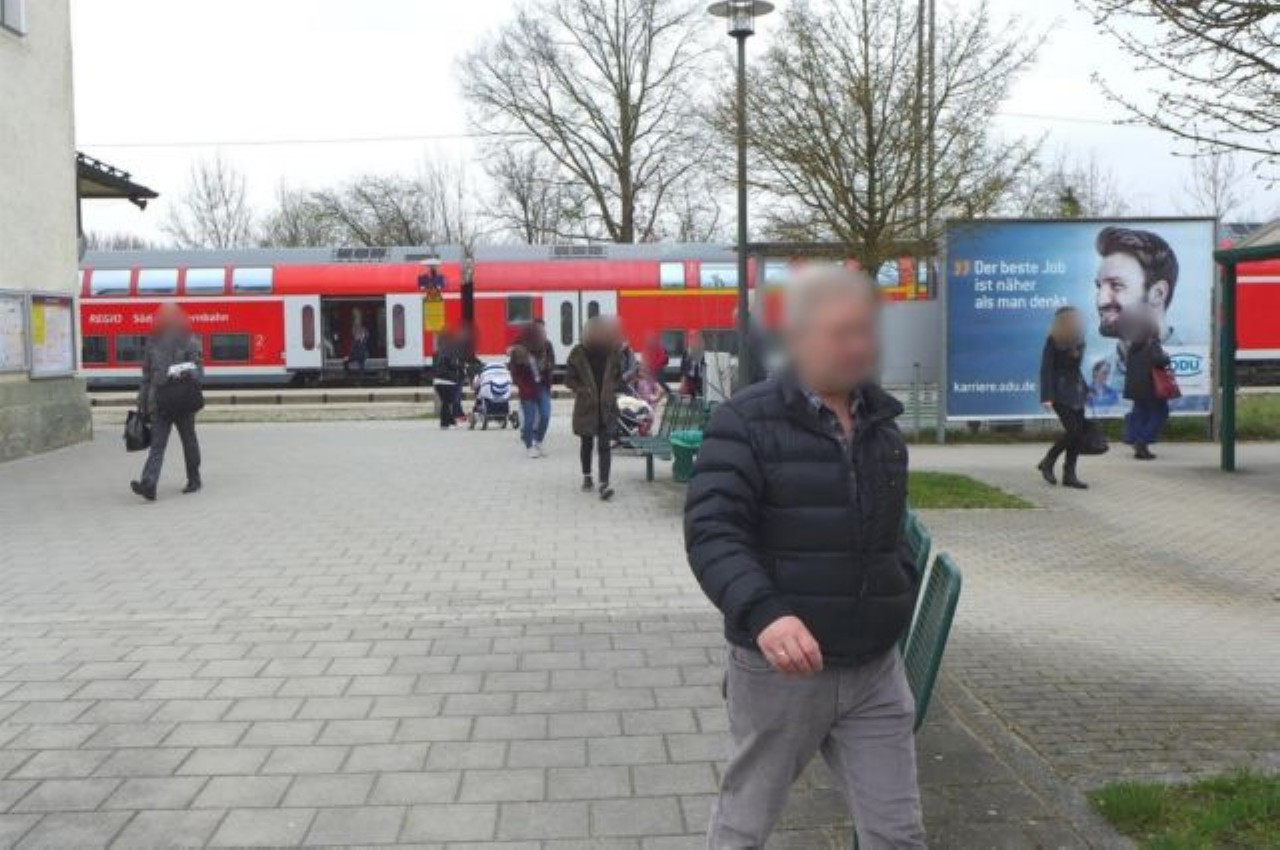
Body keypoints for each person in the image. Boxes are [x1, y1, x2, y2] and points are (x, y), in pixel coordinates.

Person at [685, 266, 925, 849]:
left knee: (898, 834)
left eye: (864, 332)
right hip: (782, 674)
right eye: (841, 333)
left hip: (873, 670)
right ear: (798, 338)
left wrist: (896, 589)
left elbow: (890, 532)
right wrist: (766, 614)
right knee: (744, 825)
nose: (859, 347)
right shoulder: (746, 421)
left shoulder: (881, 425)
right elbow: (712, 531)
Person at [1093, 226, 1180, 403]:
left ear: (1158, 293)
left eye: (1116, 285)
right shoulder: (1096, 374)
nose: (1101, 301)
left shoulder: (1191, 370)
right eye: (1099, 286)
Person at [131, 304, 203, 501]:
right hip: (159, 403)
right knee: (157, 445)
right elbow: (146, 375)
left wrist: (184, 371)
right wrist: (142, 401)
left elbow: (199, 372)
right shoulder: (152, 342)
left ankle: (194, 479)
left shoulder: (190, 341)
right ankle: (149, 484)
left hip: (183, 402)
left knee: (189, 442)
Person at [565, 316, 622, 500]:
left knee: (605, 445)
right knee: (587, 444)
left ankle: (604, 483)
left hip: (606, 406)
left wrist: (614, 388)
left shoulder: (613, 352)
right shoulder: (577, 353)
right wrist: (582, 390)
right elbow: (568, 380)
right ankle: (587, 476)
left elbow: (618, 377)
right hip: (587, 407)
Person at [1037, 307, 1090, 489]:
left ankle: (1070, 474)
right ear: (1064, 321)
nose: (1077, 321)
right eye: (1073, 318)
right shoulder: (1053, 341)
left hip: (1077, 391)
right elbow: (1046, 369)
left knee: (1078, 434)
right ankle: (1049, 460)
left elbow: (1076, 367)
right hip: (1059, 392)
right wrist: (1046, 396)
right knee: (1073, 431)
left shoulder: (1079, 339)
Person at [1123, 310, 1172, 461]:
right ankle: (1142, 441)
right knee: (1160, 412)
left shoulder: (1133, 345)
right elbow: (1158, 360)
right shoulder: (1152, 343)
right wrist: (1166, 358)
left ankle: (1135, 440)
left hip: (1136, 387)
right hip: (1151, 386)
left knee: (1141, 413)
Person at [510, 320, 554, 458]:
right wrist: (521, 385)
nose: (543, 334)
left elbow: (552, 361)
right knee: (529, 419)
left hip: (542, 386)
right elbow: (514, 371)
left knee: (545, 415)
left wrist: (548, 368)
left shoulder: (546, 346)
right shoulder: (518, 350)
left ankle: (538, 441)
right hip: (527, 388)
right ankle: (529, 446)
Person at [433, 330, 464, 429]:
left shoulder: (440, 351)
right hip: (447, 381)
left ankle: (451, 422)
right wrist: (459, 367)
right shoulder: (452, 350)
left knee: (445, 402)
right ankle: (444, 424)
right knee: (447, 403)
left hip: (437, 381)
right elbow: (452, 364)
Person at [679, 330, 706, 397]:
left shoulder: (705, 354)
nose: (691, 340)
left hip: (702, 380)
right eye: (690, 338)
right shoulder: (686, 353)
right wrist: (683, 383)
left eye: (694, 338)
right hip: (690, 380)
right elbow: (683, 370)